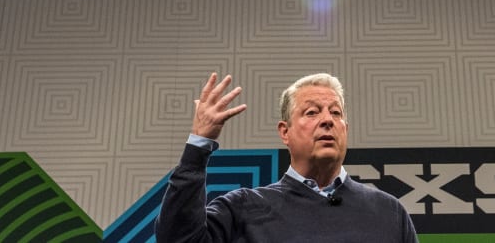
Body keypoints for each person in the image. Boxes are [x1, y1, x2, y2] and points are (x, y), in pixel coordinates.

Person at [156, 72, 418, 242]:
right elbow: (177, 240)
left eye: (336, 113)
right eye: (312, 112)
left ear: (345, 130)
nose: (327, 120)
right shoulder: (244, 208)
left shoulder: (388, 212)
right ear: (285, 132)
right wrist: (199, 144)